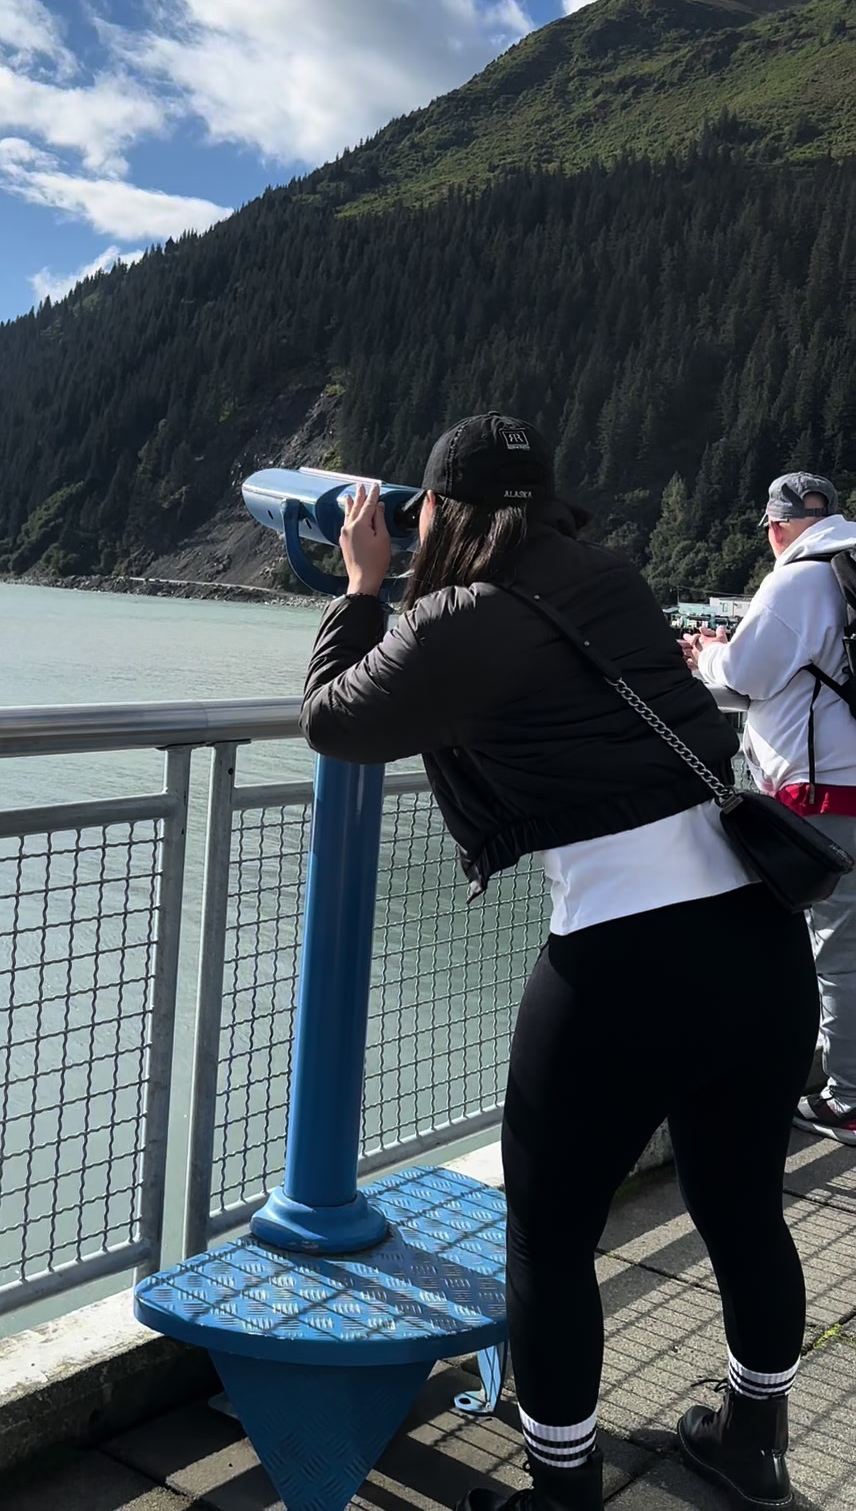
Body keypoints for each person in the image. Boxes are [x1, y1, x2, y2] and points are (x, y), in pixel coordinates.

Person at [300, 414, 817, 1511]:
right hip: (759, 934)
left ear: (435, 511)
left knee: (547, 1236)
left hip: (626, 961)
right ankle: (754, 1444)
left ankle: (562, 1491)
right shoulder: (611, 579)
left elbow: (336, 721)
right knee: (742, 1206)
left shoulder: (451, 618)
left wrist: (359, 586)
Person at [686, 471, 856, 1143]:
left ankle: (843, 1098)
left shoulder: (797, 579)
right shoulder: (847, 567)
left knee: (816, 949)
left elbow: (745, 676)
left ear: (777, 526)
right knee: (838, 944)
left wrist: (705, 657)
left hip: (814, 802)